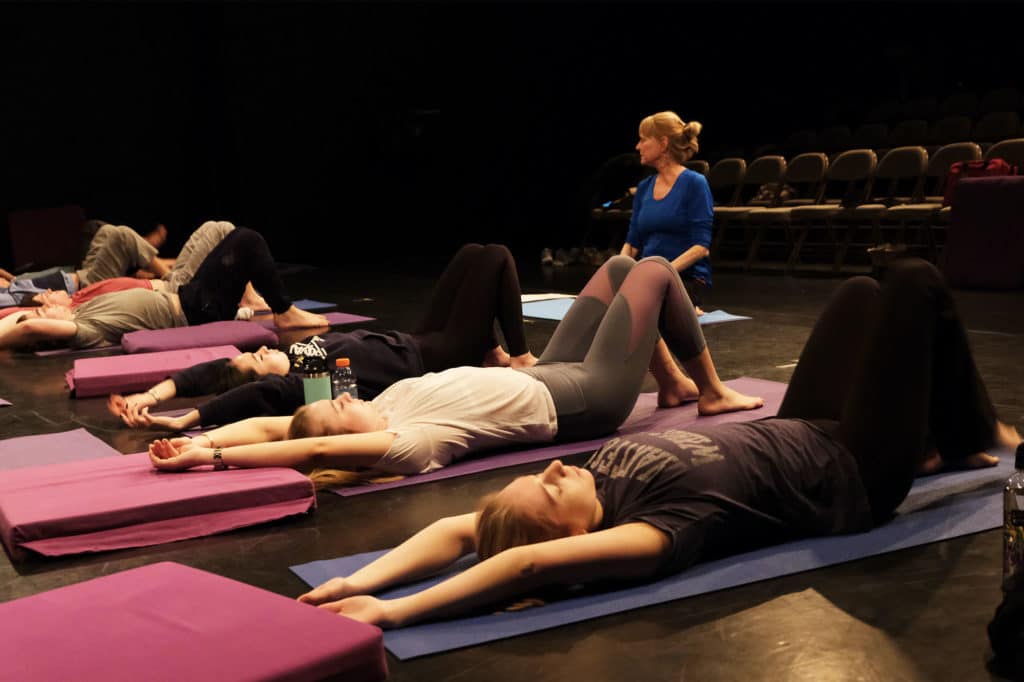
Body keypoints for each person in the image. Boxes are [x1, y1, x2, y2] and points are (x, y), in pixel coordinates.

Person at [285, 258, 1022, 630]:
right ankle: (972, 429)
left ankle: (945, 438)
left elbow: (460, 528)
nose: (552, 468)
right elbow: (524, 558)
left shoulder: (592, 481)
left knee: (862, 292)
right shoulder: (650, 534)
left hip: (802, 424)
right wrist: (396, 615)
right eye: (549, 489)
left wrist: (362, 581)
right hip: (855, 472)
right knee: (913, 284)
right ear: (578, 535)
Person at [147, 253, 764, 486]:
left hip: (542, 373)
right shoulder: (407, 443)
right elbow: (297, 446)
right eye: (333, 410)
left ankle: (674, 382)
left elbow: (272, 430)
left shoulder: (357, 394)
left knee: (617, 271)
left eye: (328, 401)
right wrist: (214, 460)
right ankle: (709, 391)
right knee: (654, 269)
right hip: (583, 398)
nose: (336, 399)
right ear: (344, 441)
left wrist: (194, 433)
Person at [109, 243, 540, 429]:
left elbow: (213, 374)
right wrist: (189, 419)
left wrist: (153, 395)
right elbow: (251, 397)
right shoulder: (308, 386)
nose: (261, 348)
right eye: (259, 359)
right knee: (497, 257)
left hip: (416, 337)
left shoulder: (297, 355)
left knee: (472, 254)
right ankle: (518, 358)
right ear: (270, 381)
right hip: (435, 357)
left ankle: (488, 347)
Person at [0, 227, 327, 350]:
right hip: (196, 312)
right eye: (43, 309)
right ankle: (284, 312)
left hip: (188, 298)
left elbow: (26, 320)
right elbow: (30, 325)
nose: (42, 305)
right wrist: (28, 323)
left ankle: (269, 304)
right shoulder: (85, 328)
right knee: (248, 240)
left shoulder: (83, 308)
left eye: (43, 305)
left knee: (224, 234)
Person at [620, 111, 713, 315]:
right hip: (648, 277)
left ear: (663, 144)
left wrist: (662, 273)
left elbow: (701, 247)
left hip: (684, 277)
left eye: (643, 140)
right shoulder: (644, 187)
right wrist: (621, 271)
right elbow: (632, 243)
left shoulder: (694, 183)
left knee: (641, 310)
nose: (637, 146)